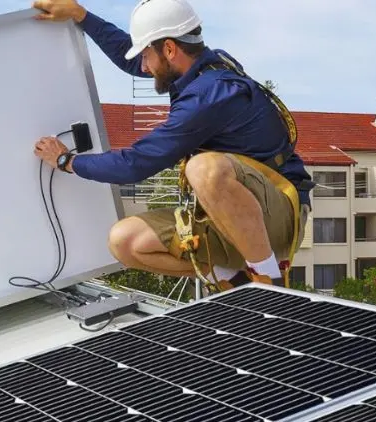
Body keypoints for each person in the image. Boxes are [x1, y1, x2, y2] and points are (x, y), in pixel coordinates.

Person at [30, 0, 314, 290]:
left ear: (169, 49)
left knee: (203, 168)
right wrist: (81, 16)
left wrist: (67, 161)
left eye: (146, 54)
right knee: (124, 242)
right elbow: (132, 60)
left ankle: (269, 282)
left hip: (279, 215)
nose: (144, 65)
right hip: (233, 219)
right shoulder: (198, 67)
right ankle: (233, 278)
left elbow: (136, 164)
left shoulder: (210, 95)